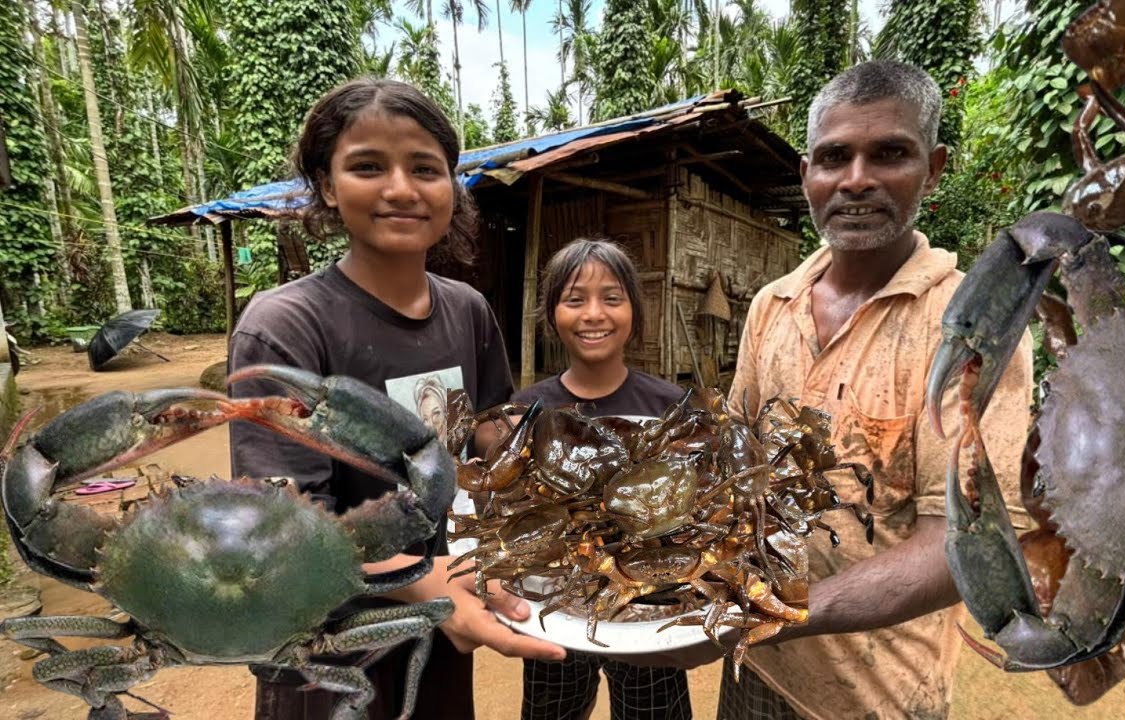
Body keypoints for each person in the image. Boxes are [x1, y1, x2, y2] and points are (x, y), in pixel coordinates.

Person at [649, 61, 1034, 719]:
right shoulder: (774, 303)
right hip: (757, 671)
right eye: (834, 157)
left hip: (879, 697)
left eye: (889, 153)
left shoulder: (971, 329)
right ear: (807, 176)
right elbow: (733, 462)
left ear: (933, 167)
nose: (856, 179)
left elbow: (963, 547)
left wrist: (773, 610)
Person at [228, 77, 565, 720]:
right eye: (367, 166)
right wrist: (437, 586)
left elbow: (487, 441)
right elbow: (291, 524)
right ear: (327, 185)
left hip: (435, 624)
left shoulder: (466, 311)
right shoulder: (287, 325)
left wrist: (562, 456)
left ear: (453, 185)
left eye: (424, 168)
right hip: (324, 645)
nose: (402, 189)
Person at [511, 238, 693, 720]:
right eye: (575, 300)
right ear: (552, 315)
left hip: (652, 603)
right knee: (552, 711)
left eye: (612, 298)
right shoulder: (528, 410)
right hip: (557, 608)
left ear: (634, 310)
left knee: (655, 713)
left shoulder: (672, 407)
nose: (594, 314)